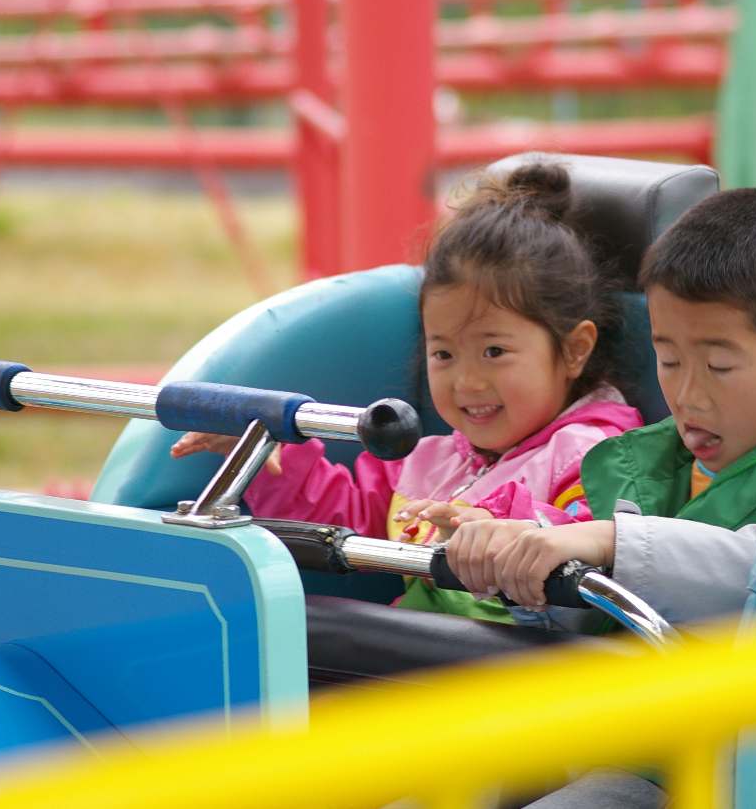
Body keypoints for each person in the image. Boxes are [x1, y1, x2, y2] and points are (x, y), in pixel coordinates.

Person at [171, 163, 643, 622]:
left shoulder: (599, 455)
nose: (467, 382)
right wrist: (269, 460)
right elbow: (348, 523)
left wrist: (496, 530)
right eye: (444, 355)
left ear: (575, 349)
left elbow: (597, 547)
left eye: (494, 351)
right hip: (419, 659)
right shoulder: (427, 461)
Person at [445, 187, 756, 625]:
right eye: (669, 361)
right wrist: (521, 556)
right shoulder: (649, 464)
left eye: (719, 365)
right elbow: (593, 619)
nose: (687, 396)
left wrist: (612, 543)